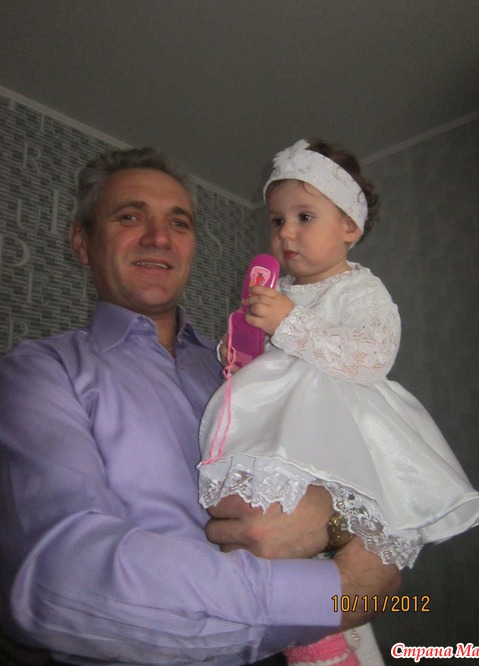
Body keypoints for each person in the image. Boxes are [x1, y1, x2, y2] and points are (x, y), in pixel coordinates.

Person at [0, 147, 401, 666]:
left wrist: (337, 525)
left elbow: (346, 464)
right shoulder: (36, 373)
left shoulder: (255, 370)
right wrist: (333, 592)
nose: (159, 237)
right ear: (82, 242)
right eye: (130, 217)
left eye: (179, 223)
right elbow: (60, 578)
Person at [198, 139, 479, 665]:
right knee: (269, 523)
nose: (286, 232)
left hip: (336, 436)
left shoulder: (360, 291)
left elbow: (370, 358)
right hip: (278, 429)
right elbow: (261, 358)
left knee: (331, 543)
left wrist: (289, 321)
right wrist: (238, 345)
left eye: (304, 217)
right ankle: (313, 635)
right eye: (277, 220)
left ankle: (326, 642)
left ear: (349, 227)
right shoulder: (278, 291)